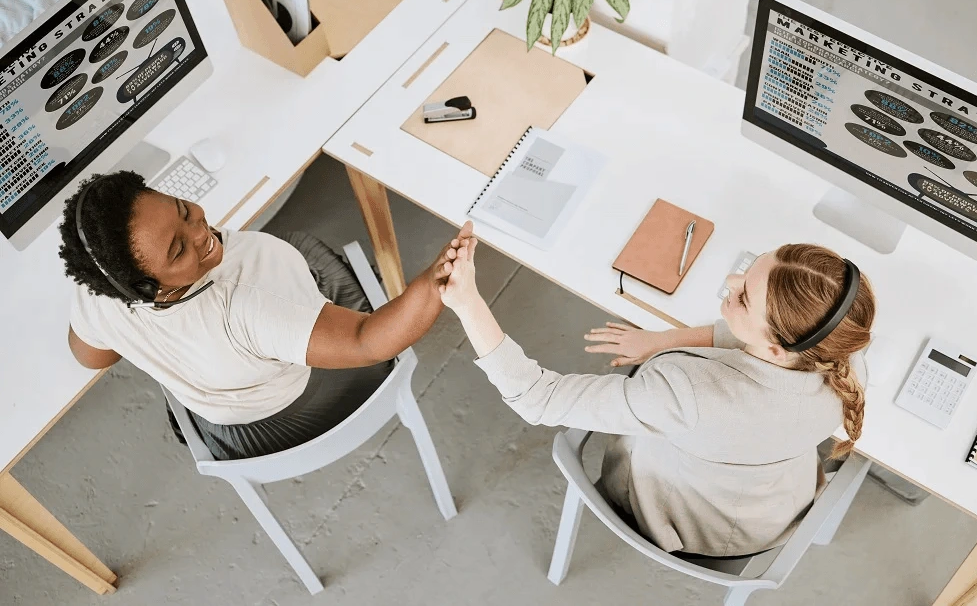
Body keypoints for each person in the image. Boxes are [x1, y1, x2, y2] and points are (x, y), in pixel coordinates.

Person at [438, 233, 874, 558]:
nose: (730, 280)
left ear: (776, 347)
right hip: (771, 508)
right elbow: (748, 340)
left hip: (690, 523)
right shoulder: (843, 359)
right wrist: (660, 341)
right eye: (752, 266)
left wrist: (467, 301)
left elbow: (537, 397)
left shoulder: (685, 395)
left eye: (743, 297)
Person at [59, 171, 472, 460]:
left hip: (230, 438)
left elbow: (92, 356)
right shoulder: (251, 289)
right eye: (178, 250)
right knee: (299, 247)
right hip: (307, 405)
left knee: (293, 252)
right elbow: (367, 340)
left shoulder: (98, 296)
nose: (201, 232)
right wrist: (437, 277)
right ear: (147, 287)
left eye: (183, 211)